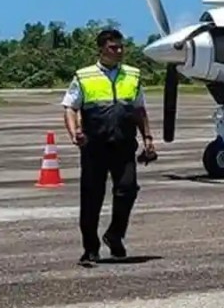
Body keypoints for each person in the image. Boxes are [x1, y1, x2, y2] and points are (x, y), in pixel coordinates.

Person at [61, 28, 155, 266]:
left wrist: (148, 139)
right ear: (101, 49)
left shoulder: (132, 75)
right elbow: (70, 107)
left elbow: (138, 109)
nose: (119, 51)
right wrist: (75, 134)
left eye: (121, 46)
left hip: (124, 145)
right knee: (92, 197)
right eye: (114, 47)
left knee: (128, 190)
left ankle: (114, 234)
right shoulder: (84, 76)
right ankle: (90, 249)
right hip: (94, 147)